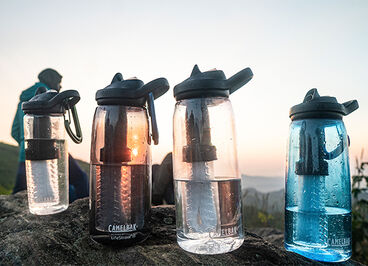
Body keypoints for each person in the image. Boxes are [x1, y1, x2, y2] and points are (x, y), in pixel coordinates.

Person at [11, 68, 89, 202]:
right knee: (80, 179)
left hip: (27, 153)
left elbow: (14, 131)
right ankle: (83, 212)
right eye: (59, 83)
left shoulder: (23, 101)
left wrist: (27, 143)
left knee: (20, 191)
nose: (61, 86)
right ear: (52, 81)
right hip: (52, 150)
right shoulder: (51, 98)